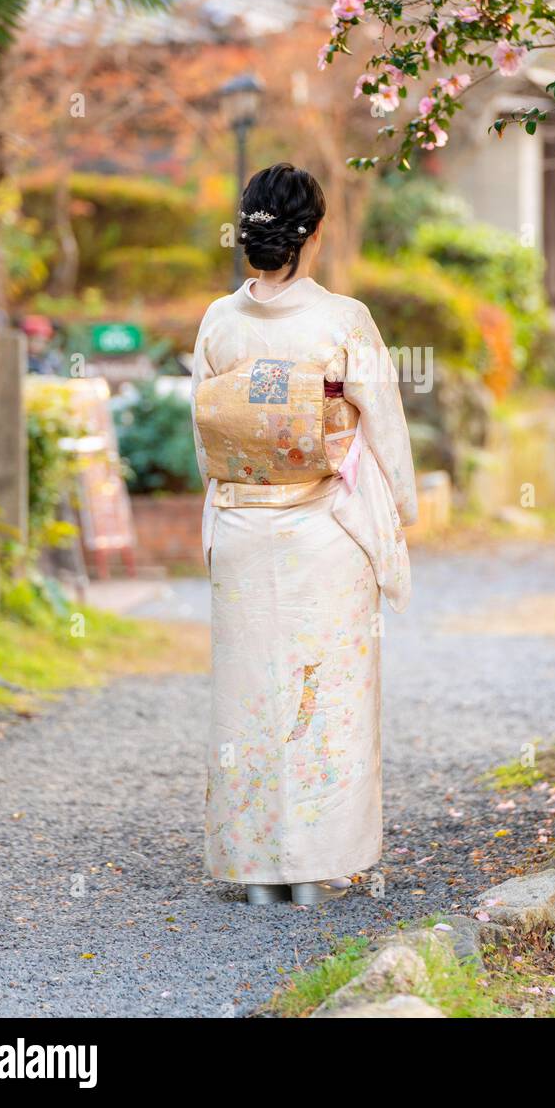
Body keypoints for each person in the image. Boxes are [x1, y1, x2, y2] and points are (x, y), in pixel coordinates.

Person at [191, 162, 417, 906]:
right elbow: (382, 425)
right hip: (324, 527)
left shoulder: (218, 322)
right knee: (325, 698)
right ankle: (317, 869)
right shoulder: (341, 319)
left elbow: (206, 440)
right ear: (313, 235)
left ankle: (256, 872)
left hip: (243, 523)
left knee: (250, 696)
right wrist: (404, 511)